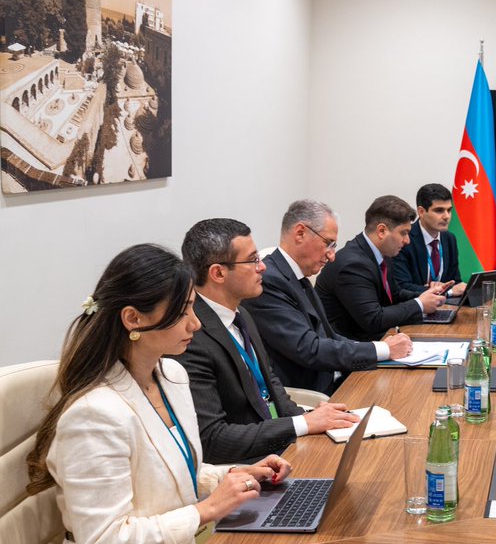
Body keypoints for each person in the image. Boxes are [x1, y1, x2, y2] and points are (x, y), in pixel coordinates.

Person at [26, 243, 332, 544]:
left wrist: (237, 474)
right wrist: (207, 509)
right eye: (184, 311)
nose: (195, 323)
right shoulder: (94, 415)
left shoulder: (170, 374)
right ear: (134, 319)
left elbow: (177, 470)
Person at [173, 218, 358, 463]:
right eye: (253, 260)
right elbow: (214, 439)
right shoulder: (191, 337)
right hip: (244, 467)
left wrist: (307, 418)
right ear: (218, 273)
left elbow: (270, 383)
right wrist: (301, 423)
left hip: (276, 445)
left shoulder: (242, 314)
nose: (262, 268)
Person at [241, 199, 414, 395]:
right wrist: (382, 349)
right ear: (300, 233)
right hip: (312, 395)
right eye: (328, 244)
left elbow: (329, 336)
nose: (332, 256)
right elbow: (310, 349)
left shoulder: (297, 276)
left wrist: (380, 349)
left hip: (333, 379)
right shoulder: (270, 281)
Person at [316, 195, 446, 341]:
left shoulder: (383, 254)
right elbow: (374, 320)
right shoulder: (352, 265)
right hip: (351, 350)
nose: (407, 241)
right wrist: (420, 304)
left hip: (379, 339)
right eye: (403, 233)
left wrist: (428, 294)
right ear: (382, 231)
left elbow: (395, 295)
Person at [393, 182, 467, 297]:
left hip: (446, 306)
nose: (447, 216)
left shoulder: (449, 238)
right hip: (414, 307)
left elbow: (454, 281)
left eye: (449, 210)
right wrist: (447, 292)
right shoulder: (404, 239)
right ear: (421, 212)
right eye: (439, 210)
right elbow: (402, 285)